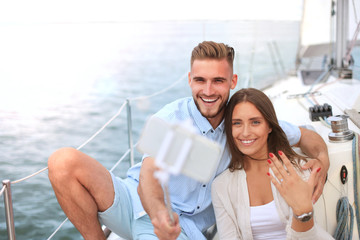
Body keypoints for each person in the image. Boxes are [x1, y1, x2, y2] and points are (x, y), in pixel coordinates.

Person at [47, 41, 329, 240]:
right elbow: (149, 175)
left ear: (233, 81)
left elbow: (308, 137)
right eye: (200, 80)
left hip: (182, 229)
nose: (208, 90)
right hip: (133, 203)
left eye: (218, 81)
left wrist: (323, 162)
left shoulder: (241, 124)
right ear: (189, 80)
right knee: (62, 162)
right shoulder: (170, 118)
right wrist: (158, 214)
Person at [211, 88, 333, 239]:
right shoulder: (221, 186)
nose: (245, 132)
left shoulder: (299, 169)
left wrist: (302, 213)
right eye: (237, 123)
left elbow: (309, 235)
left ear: (269, 126)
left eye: (255, 122)